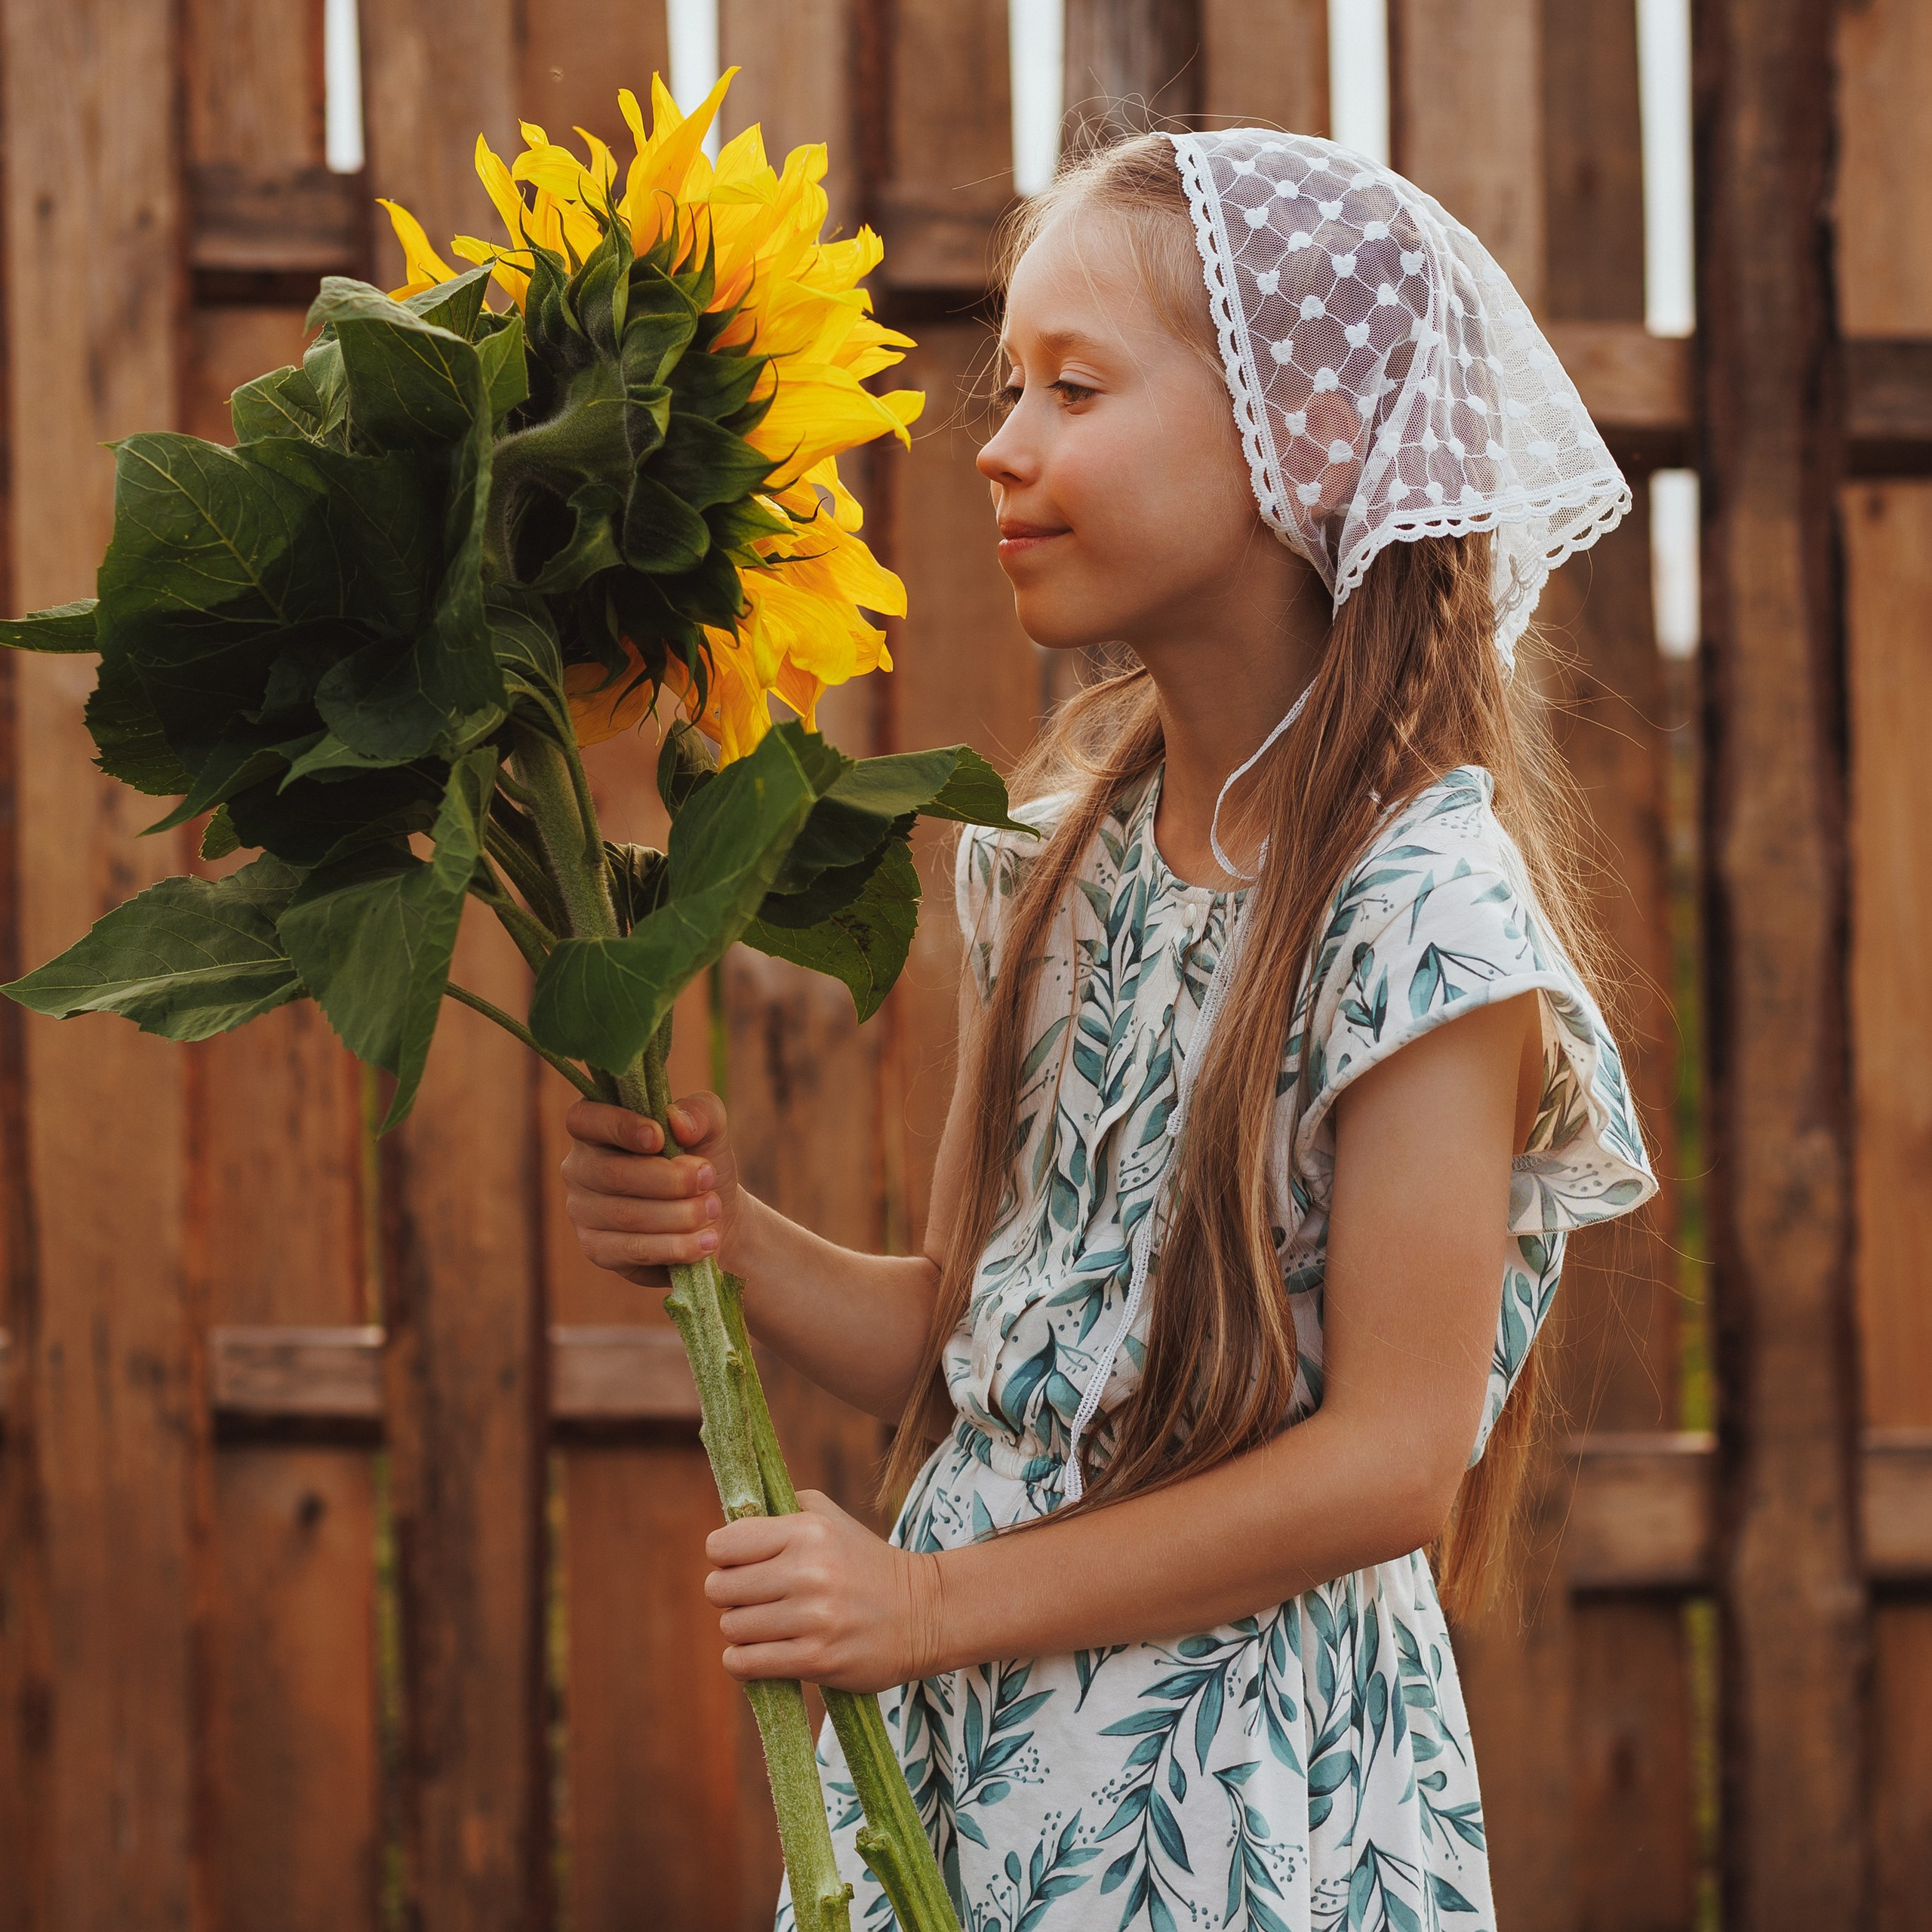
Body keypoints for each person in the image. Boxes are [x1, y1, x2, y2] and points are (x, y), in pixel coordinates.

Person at [561, 125, 1657, 1932]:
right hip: (971, 1755)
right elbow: (970, 1326)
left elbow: (1388, 1459)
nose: (998, 442)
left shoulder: (1418, 915)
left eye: (1072, 387)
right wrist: (728, 1240)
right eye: (1009, 385)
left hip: (1229, 1792)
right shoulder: (1055, 865)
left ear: (1301, 441)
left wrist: (919, 1605)